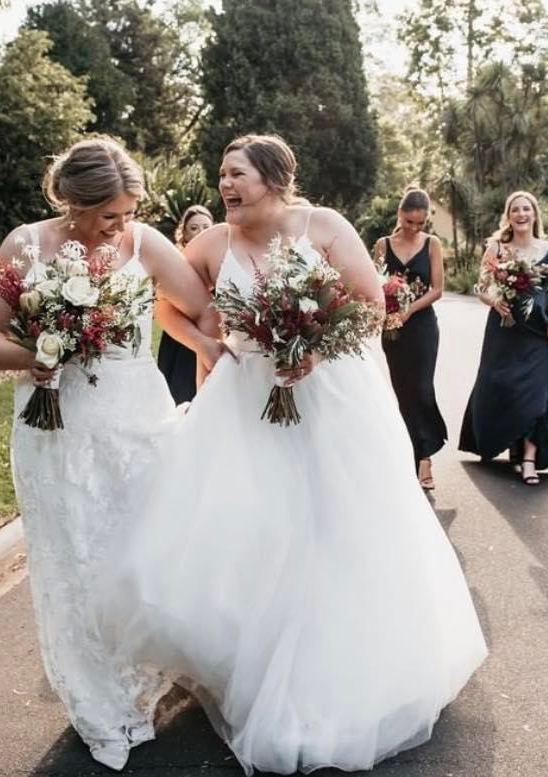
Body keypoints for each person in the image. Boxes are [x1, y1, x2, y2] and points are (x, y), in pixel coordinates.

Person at [100, 134, 486, 775]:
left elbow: (370, 306)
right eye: (221, 175)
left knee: (330, 525)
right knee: (252, 523)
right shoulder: (211, 244)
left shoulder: (324, 226)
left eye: (236, 174)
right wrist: (205, 344)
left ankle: (330, 669)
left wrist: (316, 349)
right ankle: (248, 654)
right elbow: (167, 306)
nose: (224, 185)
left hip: (329, 398)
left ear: (274, 179)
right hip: (243, 402)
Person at [0, 137, 224, 770]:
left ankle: (150, 668)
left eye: (128, 212)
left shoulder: (145, 244)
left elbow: (202, 308)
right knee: (74, 560)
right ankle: (100, 698)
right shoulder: (25, 246)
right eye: (108, 215)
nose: (120, 226)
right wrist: (40, 355)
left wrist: (220, 354)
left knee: (144, 551)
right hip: (56, 426)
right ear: (69, 201)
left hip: (138, 420)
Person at [458, 191, 548, 485]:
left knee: (537, 394)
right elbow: (481, 287)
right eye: (515, 210)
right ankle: (509, 444)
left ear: (534, 214)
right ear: (508, 215)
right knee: (501, 387)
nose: (521, 214)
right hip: (503, 332)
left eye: (526, 209)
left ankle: (529, 459)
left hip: (539, 334)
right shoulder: (496, 247)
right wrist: (494, 301)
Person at [372, 186, 448, 491]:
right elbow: (374, 285)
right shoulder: (382, 245)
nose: (415, 228)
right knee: (403, 392)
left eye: (420, 223)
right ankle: (411, 455)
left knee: (422, 388)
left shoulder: (432, 244)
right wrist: (387, 312)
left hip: (422, 327)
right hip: (392, 329)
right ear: (399, 215)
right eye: (409, 222)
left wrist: (409, 310)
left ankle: (425, 456)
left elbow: (437, 289)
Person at [157, 205, 216, 404]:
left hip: (213, 332)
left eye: (206, 227)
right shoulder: (175, 261)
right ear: (185, 233)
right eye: (194, 228)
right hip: (182, 336)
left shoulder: (221, 258)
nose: (201, 232)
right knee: (179, 391)